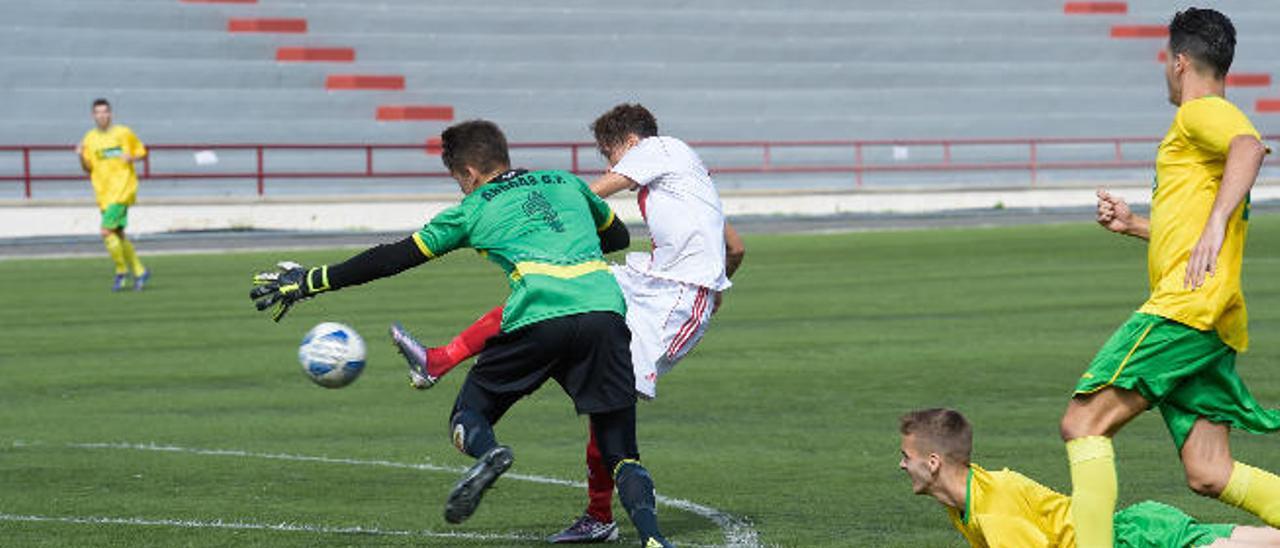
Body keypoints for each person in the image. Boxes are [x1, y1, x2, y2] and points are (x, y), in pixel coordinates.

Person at [249, 119, 675, 548]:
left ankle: (489, 452)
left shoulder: (472, 208)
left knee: (469, 414)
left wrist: (311, 281)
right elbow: (617, 236)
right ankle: (654, 539)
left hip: (539, 315)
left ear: (469, 173)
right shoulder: (568, 183)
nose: (461, 189)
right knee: (621, 451)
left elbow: (392, 257)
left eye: (458, 181)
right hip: (604, 312)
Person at [387, 104, 745, 543]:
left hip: (672, 299)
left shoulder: (658, 149)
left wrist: (543, 202)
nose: (611, 164)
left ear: (629, 143)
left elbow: (588, 196)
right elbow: (736, 249)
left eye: (609, 154)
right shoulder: (687, 172)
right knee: (552, 292)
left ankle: (608, 519)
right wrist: (710, 290)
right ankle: (439, 359)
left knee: (612, 414)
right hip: (654, 280)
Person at [1058, 9, 1280, 547]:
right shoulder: (1204, 124)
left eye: (1166, 60)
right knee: (1209, 469)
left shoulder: (1199, 114)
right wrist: (1137, 225)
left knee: (1083, 423)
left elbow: (1249, 147)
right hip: (1212, 315)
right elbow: (1194, 222)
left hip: (1184, 309)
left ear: (1179, 61)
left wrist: (1217, 225)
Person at [899, 408, 1280, 547]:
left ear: (933, 462)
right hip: (1140, 528)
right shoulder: (967, 493)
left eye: (906, 456)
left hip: (1137, 542)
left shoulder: (992, 511)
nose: (902, 465)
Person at [77, 98, 149, 291]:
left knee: (105, 231)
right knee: (118, 233)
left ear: (111, 114)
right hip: (103, 193)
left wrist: (132, 157)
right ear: (93, 115)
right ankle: (140, 271)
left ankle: (121, 271)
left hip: (122, 190)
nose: (102, 115)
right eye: (98, 112)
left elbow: (143, 152)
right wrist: (79, 155)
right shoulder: (89, 138)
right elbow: (87, 168)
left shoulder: (123, 133)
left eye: (105, 111)